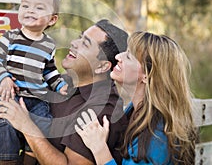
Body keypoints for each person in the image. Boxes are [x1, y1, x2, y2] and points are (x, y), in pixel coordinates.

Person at [0, 19, 129, 164]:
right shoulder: (60, 83)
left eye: (85, 43)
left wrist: (27, 127)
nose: (74, 43)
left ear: (102, 66)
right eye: (80, 37)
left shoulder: (103, 109)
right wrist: (2, 80)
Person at [75, 31, 197, 165]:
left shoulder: (157, 135)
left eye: (128, 56)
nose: (118, 56)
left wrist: (99, 148)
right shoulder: (136, 110)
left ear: (147, 75)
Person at [0, 0, 67, 164]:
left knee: (44, 122)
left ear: (52, 19)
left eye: (39, 7)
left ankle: (30, 159)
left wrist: (60, 85)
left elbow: (49, 71)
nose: (30, 10)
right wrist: (4, 78)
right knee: (5, 124)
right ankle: (8, 160)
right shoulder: (10, 37)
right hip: (9, 94)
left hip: (37, 98)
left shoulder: (48, 44)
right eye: (25, 6)